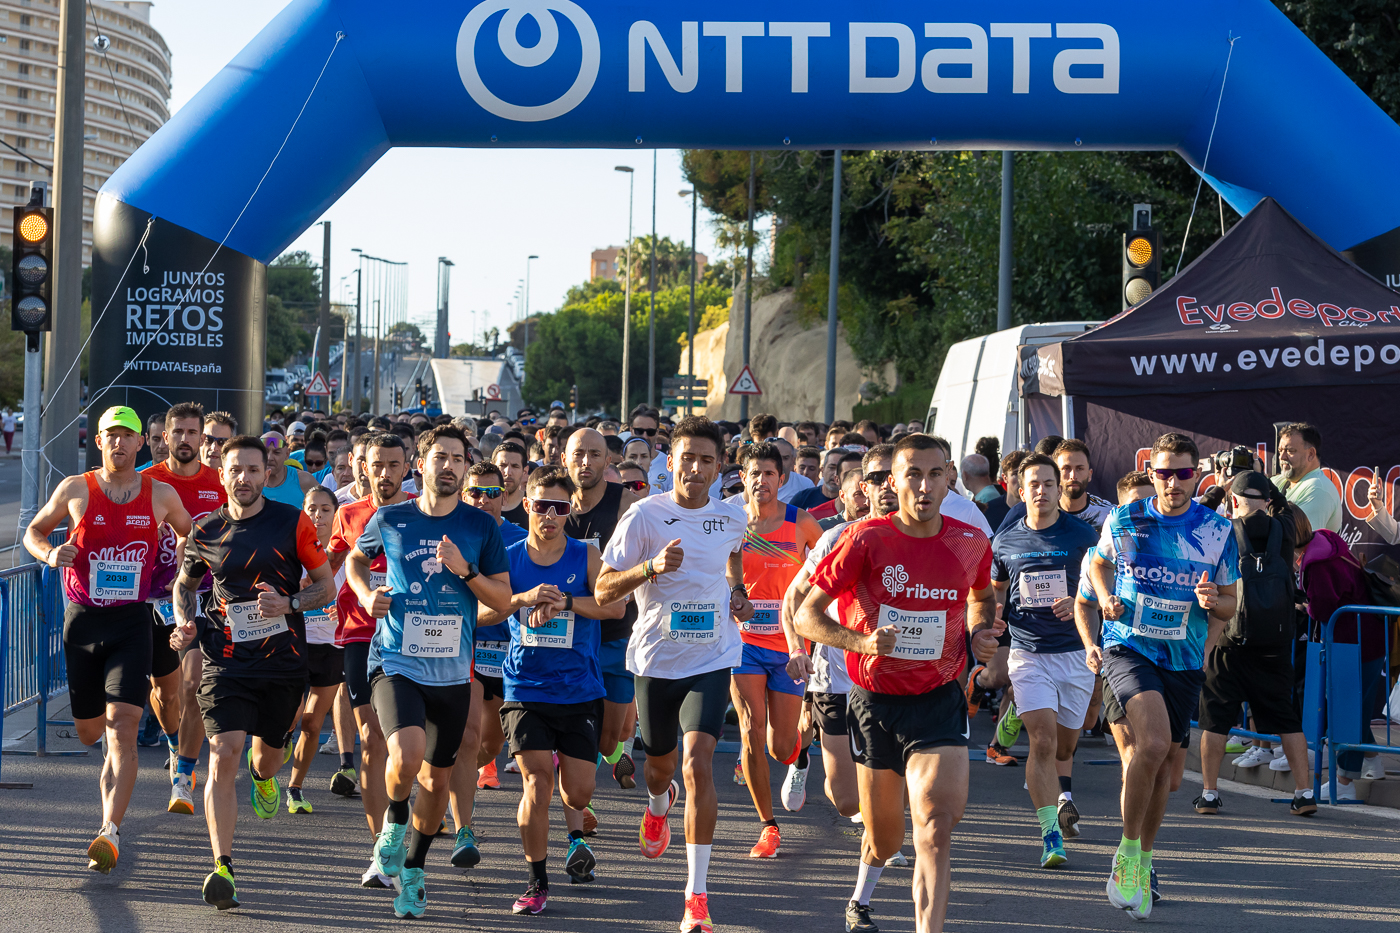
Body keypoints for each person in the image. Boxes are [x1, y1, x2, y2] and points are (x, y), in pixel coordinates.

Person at [795, 434, 999, 933]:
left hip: (939, 699)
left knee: (934, 826)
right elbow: (805, 616)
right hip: (874, 704)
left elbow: (983, 596)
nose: (924, 486)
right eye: (912, 474)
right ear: (893, 481)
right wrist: (861, 643)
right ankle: (862, 893)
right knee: (885, 840)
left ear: (949, 477)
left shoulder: (969, 542)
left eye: (934, 475)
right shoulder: (865, 539)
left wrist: (979, 631)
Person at [346, 425, 512, 919]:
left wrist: (465, 570)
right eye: (439, 457)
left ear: (466, 466)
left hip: (451, 672)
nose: (448, 466)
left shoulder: (481, 528)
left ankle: (414, 871)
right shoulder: (391, 518)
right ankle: (394, 824)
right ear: (421, 465)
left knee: (438, 783)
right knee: (406, 751)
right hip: (396, 659)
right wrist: (362, 593)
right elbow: (357, 558)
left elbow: (502, 601)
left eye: (457, 459)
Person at [595, 416, 753, 933]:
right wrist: (651, 569)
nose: (696, 468)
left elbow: (732, 558)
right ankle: (658, 805)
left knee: (698, 765)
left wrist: (737, 592)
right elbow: (603, 591)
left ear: (718, 466)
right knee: (660, 770)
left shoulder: (731, 517)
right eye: (688, 457)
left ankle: (696, 897)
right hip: (655, 660)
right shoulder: (644, 516)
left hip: (713, 657)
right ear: (672, 460)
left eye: (707, 460)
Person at [169, 434, 336, 909]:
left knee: (266, 759)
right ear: (221, 475)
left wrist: (289, 602)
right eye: (235, 470)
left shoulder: (292, 522)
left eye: (253, 470)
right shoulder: (204, 531)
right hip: (226, 659)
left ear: (268, 474)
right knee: (223, 750)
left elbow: (324, 586)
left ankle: (264, 776)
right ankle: (223, 865)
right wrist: (185, 623)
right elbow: (185, 586)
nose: (244, 479)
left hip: (283, 662)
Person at [23, 405, 192, 873]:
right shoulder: (76, 489)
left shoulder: (160, 494)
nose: (118, 443)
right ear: (97, 442)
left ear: (142, 443)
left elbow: (192, 534)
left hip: (131, 623)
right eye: (109, 436)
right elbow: (33, 532)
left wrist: (184, 553)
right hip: (83, 622)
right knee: (89, 732)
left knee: (122, 728)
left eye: (127, 436)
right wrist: (52, 552)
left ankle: (110, 831)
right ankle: (108, 768)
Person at [1086, 433, 1239, 920]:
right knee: (1150, 746)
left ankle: (1145, 858)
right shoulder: (1125, 517)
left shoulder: (1216, 529)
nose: (1173, 482)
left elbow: (1232, 602)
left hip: (1185, 658)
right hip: (1129, 646)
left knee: (1168, 776)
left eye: (1183, 473)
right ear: (1151, 473)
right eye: (1164, 473)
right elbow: (1098, 565)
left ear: (1198, 475)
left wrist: (1215, 601)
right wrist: (1106, 595)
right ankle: (1128, 854)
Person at [478, 467, 625, 912]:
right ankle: (536, 882)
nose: (550, 515)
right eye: (541, 506)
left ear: (568, 512)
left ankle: (573, 830)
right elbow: (480, 613)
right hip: (524, 688)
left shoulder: (586, 557)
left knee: (577, 793)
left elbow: (615, 606)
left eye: (559, 508)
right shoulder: (507, 557)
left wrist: (565, 602)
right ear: (527, 506)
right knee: (536, 784)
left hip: (579, 689)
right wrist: (521, 600)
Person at [989, 453, 1101, 867]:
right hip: (1028, 651)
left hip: (1075, 653)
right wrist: (995, 618)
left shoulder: (1085, 537)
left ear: (1058, 489)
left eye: (1047, 483)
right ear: (1021, 491)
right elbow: (996, 589)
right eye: (1032, 484)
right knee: (1043, 741)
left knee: (1068, 742)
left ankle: (1018, 711)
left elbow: (1108, 587)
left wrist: (1079, 602)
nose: (1040, 490)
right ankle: (1050, 835)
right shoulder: (1006, 540)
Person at [782, 446, 899, 837]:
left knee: (887, 775)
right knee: (846, 798)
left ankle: (879, 834)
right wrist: (798, 648)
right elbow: (794, 601)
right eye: (877, 479)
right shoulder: (837, 537)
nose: (887, 486)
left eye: (892, 476)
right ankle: (805, 759)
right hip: (837, 677)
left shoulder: (929, 536)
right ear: (863, 488)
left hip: (896, 679)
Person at [1193, 472, 1316, 816]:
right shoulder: (1286, 528)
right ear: (1266, 500)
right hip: (1275, 643)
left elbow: (1199, 512)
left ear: (1235, 501)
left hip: (1230, 640)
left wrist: (1221, 486)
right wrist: (1263, 486)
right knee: (1287, 718)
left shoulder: (1223, 530)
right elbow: (1279, 501)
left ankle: (1210, 793)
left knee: (1215, 720)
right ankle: (1305, 793)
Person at [730, 442, 822, 856]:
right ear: (743, 477)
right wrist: (734, 594)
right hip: (744, 641)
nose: (761, 481)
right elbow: (715, 563)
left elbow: (831, 570)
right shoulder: (731, 521)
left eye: (769, 473)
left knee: (780, 746)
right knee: (751, 730)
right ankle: (768, 825)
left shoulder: (801, 523)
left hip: (790, 644)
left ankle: (800, 756)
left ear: (781, 479)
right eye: (754, 473)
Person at [327, 433, 412, 877]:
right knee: (371, 740)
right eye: (376, 465)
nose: (383, 473)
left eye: (392, 465)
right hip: (360, 635)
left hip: (412, 638)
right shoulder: (348, 514)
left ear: (406, 466)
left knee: (406, 745)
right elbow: (328, 561)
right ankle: (381, 847)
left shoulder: (419, 511)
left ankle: (399, 817)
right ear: (365, 467)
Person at [143, 402, 229, 814]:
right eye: (177, 432)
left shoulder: (220, 481)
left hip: (206, 595)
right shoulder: (147, 481)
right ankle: (177, 744)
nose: (184, 440)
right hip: (155, 595)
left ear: (202, 439)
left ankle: (184, 775)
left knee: (192, 681)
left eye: (193, 433)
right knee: (165, 690)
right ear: (165, 437)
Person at [445, 461, 526, 868]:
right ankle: (464, 829)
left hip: (508, 653)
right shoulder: (449, 539)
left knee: (491, 745)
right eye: (475, 492)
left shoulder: (522, 539)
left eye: (492, 494)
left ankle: (445, 777)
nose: (484, 500)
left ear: (505, 496)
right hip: (463, 650)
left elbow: (518, 601)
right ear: (463, 493)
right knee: (468, 737)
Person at [562, 428, 644, 790]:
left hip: (613, 633)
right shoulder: (552, 500)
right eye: (578, 454)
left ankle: (592, 773)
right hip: (564, 631)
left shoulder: (626, 503)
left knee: (612, 738)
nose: (585, 462)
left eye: (594, 454)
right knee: (573, 727)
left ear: (608, 460)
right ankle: (579, 802)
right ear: (563, 458)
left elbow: (644, 558)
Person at [1296, 508, 1390, 799]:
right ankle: (1373, 759)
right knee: (1352, 708)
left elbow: (1323, 605)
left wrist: (1305, 607)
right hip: (1361, 639)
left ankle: (1345, 783)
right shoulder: (1324, 541)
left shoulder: (1318, 562)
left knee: (1348, 712)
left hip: (1354, 643)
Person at [285, 486, 351, 813]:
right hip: (295, 644)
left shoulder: (348, 556)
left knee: (312, 724)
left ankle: (295, 789)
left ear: (335, 514)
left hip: (331, 646)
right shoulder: (290, 552)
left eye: (326, 509)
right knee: (290, 716)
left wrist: (346, 610)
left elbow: (361, 597)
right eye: (312, 508)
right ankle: (269, 757)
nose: (318, 515)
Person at [1275, 422, 1343, 533]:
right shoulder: (1279, 481)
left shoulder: (1317, 489)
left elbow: (1295, 539)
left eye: (1290, 451)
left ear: (1311, 454)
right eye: (1280, 451)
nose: (1282, 457)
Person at [260, 431, 316, 506]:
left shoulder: (304, 481)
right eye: (265, 452)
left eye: (276, 452)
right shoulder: (248, 481)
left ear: (287, 454)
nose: (270, 458)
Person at [494, 440, 531, 528]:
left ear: (525, 471)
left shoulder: (533, 507)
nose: (508, 472)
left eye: (515, 466)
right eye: (502, 465)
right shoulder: (482, 504)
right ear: (493, 467)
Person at [771, 437, 817, 503]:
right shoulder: (761, 482)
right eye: (777, 458)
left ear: (792, 460)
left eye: (785, 458)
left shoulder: (806, 485)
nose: (781, 463)